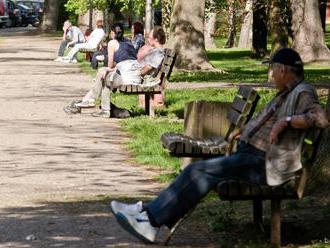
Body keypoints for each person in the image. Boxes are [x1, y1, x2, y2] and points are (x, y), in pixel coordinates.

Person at [110, 48, 329, 243]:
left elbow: (320, 118)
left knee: (199, 170)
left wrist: (286, 122)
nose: (270, 75)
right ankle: (148, 215)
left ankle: (150, 220)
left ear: (284, 70)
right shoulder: (287, 93)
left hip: (265, 164)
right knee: (198, 172)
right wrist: (248, 130)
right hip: (252, 156)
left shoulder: (303, 92)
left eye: (272, 69)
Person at [64, 26, 166, 118]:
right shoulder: (156, 51)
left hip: (136, 78)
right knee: (104, 74)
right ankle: (90, 102)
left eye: (150, 37)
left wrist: (137, 71)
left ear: (156, 39)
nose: (148, 39)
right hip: (133, 74)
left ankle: (92, 103)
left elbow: (147, 69)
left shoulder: (158, 52)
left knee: (106, 77)